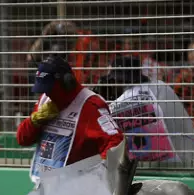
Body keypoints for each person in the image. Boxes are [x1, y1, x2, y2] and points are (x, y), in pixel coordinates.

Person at [17, 54, 123, 183]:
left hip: (76, 189)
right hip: (46, 187)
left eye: (50, 89)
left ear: (68, 82)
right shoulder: (45, 100)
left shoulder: (90, 106)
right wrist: (34, 121)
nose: (48, 93)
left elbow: (115, 142)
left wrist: (98, 177)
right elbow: (23, 139)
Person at [96, 56, 194, 166]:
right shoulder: (161, 87)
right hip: (190, 159)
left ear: (117, 80)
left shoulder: (117, 106)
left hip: (155, 168)